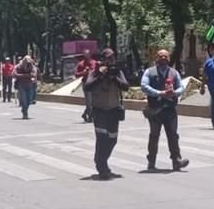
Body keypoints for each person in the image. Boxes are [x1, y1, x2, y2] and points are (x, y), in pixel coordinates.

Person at [140, 49, 190, 172]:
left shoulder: (174, 73)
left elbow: (181, 87)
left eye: (165, 56)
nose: (163, 58)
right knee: (154, 136)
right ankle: (151, 161)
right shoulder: (149, 72)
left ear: (169, 59)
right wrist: (159, 93)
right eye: (160, 56)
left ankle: (176, 161)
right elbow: (144, 86)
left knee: (173, 135)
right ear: (156, 58)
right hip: (155, 110)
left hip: (170, 110)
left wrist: (174, 93)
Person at [84, 48, 129, 179]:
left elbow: (126, 86)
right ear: (102, 59)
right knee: (102, 138)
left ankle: (101, 159)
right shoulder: (95, 71)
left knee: (112, 139)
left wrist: (114, 77)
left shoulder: (117, 71)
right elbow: (87, 87)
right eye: (107, 58)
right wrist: (100, 75)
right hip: (99, 110)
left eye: (112, 58)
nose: (110, 61)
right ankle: (102, 166)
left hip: (114, 110)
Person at [75, 50, 96, 123]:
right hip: (86, 83)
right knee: (89, 101)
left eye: (88, 54)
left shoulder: (94, 62)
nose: (87, 55)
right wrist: (83, 73)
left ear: (90, 54)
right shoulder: (81, 64)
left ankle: (85, 114)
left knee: (94, 101)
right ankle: (90, 117)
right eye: (85, 54)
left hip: (94, 83)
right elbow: (76, 74)